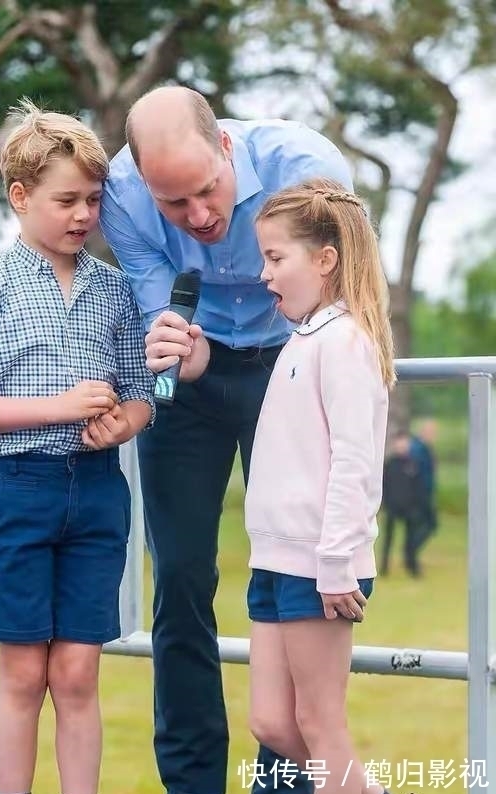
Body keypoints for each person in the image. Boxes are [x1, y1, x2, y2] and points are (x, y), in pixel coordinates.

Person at [100, 85, 353, 794]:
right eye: (173, 205)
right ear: (144, 184)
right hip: (193, 375)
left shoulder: (310, 169)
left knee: (292, 574)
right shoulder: (121, 192)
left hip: (291, 359)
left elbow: (339, 301)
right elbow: (163, 304)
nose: (200, 217)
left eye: (207, 192)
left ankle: (287, 780)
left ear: (226, 147)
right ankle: (192, 782)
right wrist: (187, 349)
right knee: (179, 578)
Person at [0, 99, 154, 794]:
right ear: (21, 196)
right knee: (25, 670)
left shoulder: (117, 292)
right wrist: (57, 408)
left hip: (96, 492)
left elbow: (142, 390)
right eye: (67, 200)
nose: (84, 214)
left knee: (79, 671)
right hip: (16, 492)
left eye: (93, 199)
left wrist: (127, 422)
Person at [244, 178, 395, 794]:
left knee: (318, 723)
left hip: (321, 565)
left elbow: (355, 464)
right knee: (273, 722)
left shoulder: (346, 343)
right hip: (275, 559)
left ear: (325, 259)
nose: (264, 275)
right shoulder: (300, 340)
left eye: (276, 258)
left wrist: (335, 561)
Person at [380, 432, 430, 577]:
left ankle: (412, 566)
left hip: (410, 508)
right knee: (388, 538)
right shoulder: (390, 463)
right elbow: (384, 484)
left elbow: (419, 486)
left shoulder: (413, 463)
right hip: (392, 507)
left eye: (404, 442)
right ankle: (384, 567)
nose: (401, 445)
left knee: (410, 539)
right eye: (399, 442)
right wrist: (385, 503)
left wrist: (418, 504)